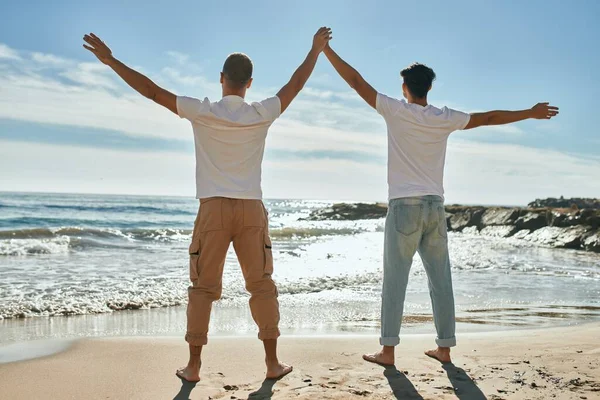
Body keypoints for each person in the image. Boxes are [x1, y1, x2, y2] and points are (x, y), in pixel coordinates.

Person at [82, 27, 333, 382]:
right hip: (250, 210)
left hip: (213, 210)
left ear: (221, 79)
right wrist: (315, 50)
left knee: (203, 289)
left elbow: (152, 91)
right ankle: (272, 364)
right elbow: (296, 84)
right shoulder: (261, 112)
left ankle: (194, 366)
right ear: (249, 83)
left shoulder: (202, 111)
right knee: (261, 284)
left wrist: (111, 61)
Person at [322, 42, 558, 366]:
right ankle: (444, 349)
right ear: (429, 87)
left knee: (395, 281)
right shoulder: (443, 117)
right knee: (440, 280)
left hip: (404, 207)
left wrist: (327, 51)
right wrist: (529, 112)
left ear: (404, 88)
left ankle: (388, 351)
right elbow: (488, 117)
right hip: (435, 207)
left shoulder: (395, 110)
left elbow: (356, 82)